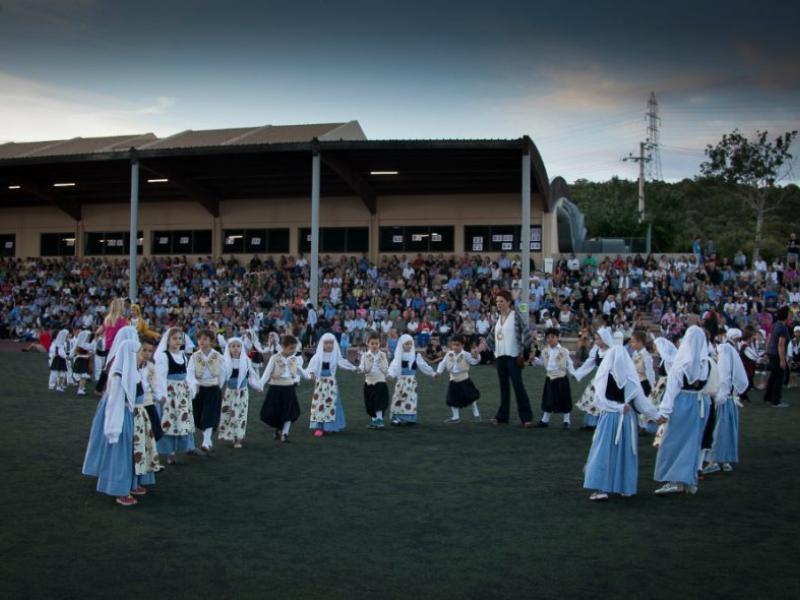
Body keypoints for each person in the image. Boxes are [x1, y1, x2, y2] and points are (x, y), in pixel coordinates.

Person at [81, 332, 155, 507]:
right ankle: (120, 490)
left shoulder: (135, 372)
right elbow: (114, 404)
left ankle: (132, 483)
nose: (140, 355)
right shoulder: (118, 376)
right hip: (123, 419)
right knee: (122, 454)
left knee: (134, 453)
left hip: (135, 417)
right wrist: (114, 429)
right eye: (137, 352)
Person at [583, 345, 664, 501]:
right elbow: (641, 402)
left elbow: (599, 400)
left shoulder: (605, 376)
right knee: (625, 452)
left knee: (604, 451)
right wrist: (655, 415)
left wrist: (655, 415)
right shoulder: (630, 377)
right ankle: (624, 487)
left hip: (611, 418)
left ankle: (602, 488)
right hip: (626, 420)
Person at [653, 326, 719, 496]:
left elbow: (671, 391)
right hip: (699, 405)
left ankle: (674, 479)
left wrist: (663, 412)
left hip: (681, 404)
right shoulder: (706, 364)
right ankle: (687, 480)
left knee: (672, 442)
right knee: (691, 444)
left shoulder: (680, 364)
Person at [702, 329, 749, 474]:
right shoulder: (731, 352)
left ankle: (713, 461)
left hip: (723, 399)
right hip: (729, 400)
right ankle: (726, 460)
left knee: (717, 431)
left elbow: (723, 379)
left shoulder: (725, 353)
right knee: (728, 431)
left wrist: (719, 398)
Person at [486, 290, 533, 427]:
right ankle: (502, 416)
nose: (499, 304)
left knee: (518, 386)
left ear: (508, 302)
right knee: (503, 387)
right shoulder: (497, 320)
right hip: (500, 356)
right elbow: (491, 338)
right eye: (497, 302)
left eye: (502, 301)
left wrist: (524, 352)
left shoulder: (515, 316)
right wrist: (479, 348)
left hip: (513, 356)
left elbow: (526, 334)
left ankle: (526, 417)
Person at [154, 327, 197, 464]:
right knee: (169, 421)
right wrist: (162, 394)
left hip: (182, 394)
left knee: (180, 421)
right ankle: (169, 452)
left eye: (180, 338)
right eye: (174, 338)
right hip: (170, 393)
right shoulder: (163, 356)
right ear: (168, 340)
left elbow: (188, 375)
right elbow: (160, 376)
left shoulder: (183, 356)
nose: (178, 341)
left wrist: (190, 388)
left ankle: (179, 448)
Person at [305, 333, 355, 437]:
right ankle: (319, 427)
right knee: (319, 405)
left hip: (331, 384)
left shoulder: (335, 356)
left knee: (332, 404)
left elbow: (343, 363)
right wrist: (311, 375)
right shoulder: (317, 356)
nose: (328, 345)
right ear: (322, 344)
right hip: (320, 384)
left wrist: (354, 368)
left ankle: (331, 426)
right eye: (326, 343)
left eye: (331, 343)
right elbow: (311, 369)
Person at [259, 335, 305, 442]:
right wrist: (261, 384)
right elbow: (267, 373)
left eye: (294, 348)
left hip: (289, 388)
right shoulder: (274, 358)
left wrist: (309, 375)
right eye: (291, 348)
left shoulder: (293, 359)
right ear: (283, 346)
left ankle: (285, 433)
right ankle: (278, 429)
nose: (293, 351)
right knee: (275, 412)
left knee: (290, 411)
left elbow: (301, 371)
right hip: (275, 388)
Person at [218, 337, 262, 448]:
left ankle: (238, 438)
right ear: (229, 348)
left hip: (242, 393)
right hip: (229, 393)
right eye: (233, 346)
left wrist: (257, 386)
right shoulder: (225, 361)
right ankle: (229, 435)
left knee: (240, 415)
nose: (236, 348)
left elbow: (251, 375)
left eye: (238, 346)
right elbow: (221, 377)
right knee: (228, 413)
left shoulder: (246, 360)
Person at [187, 329, 226, 453]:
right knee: (200, 416)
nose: (201, 341)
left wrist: (218, 385)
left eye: (205, 339)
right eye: (199, 339)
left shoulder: (218, 356)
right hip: (199, 389)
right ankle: (208, 441)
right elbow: (190, 373)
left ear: (211, 341)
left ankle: (205, 441)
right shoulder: (194, 356)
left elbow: (223, 373)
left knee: (209, 415)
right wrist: (194, 384)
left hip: (213, 389)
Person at [387, 334, 435, 426]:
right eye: (406, 344)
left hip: (411, 383)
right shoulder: (398, 356)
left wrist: (432, 373)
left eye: (410, 344)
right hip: (401, 381)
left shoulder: (416, 356)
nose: (408, 346)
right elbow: (393, 367)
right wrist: (390, 375)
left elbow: (423, 365)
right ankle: (396, 418)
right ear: (401, 344)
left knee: (411, 399)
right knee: (398, 398)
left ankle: (410, 418)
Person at [533, 328, 576, 429]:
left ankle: (566, 421)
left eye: (553, 337)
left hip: (561, 378)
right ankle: (545, 420)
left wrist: (573, 373)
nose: (550, 339)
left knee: (564, 399)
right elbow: (541, 362)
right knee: (548, 399)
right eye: (548, 337)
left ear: (558, 337)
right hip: (549, 378)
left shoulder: (564, 351)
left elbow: (569, 363)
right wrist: (534, 359)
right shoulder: (545, 351)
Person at [573, 327, 614, 430]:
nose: (597, 341)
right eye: (595, 339)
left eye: (599, 339)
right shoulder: (597, 351)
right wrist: (578, 373)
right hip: (598, 379)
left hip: (609, 381)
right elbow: (589, 363)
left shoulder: (612, 351)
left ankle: (603, 423)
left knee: (604, 402)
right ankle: (592, 424)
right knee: (592, 400)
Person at [437, 334, 482, 423]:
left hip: (464, 380)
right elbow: (442, 363)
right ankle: (455, 417)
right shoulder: (449, 354)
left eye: (458, 345)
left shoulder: (466, 355)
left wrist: (477, 356)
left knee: (471, 398)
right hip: (453, 380)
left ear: (463, 345)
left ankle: (476, 413)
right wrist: (438, 372)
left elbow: (474, 362)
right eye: (453, 344)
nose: (455, 347)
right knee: (452, 399)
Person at [358, 331, 391, 429]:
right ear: (368, 343)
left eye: (376, 343)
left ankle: (379, 419)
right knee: (370, 401)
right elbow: (362, 367)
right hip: (369, 381)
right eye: (372, 343)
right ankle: (374, 419)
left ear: (380, 344)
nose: (374, 346)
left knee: (379, 400)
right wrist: (360, 369)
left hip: (380, 380)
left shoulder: (383, 355)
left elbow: (386, 368)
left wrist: (387, 374)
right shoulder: (365, 355)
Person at [763, 306, 791, 408]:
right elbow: (781, 344)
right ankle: (776, 401)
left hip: (771, 352)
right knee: (778, 377)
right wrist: (782, 360)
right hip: (777, 354)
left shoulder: (775, 325)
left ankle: (768, 397)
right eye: (789, 314)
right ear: (786, 315)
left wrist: (766, 351)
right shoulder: (783, 328)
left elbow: (769, 338)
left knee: (773, 376)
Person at [71, 329, 94, 395]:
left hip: (82, 360)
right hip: (82, 361)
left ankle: (82, 387)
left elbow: (74, 353)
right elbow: (92, 348)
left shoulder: (79, 344)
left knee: (83, 376)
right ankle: (80, 389)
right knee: (84, 376)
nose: (89, 337)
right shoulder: (84, 344)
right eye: (88, 336)